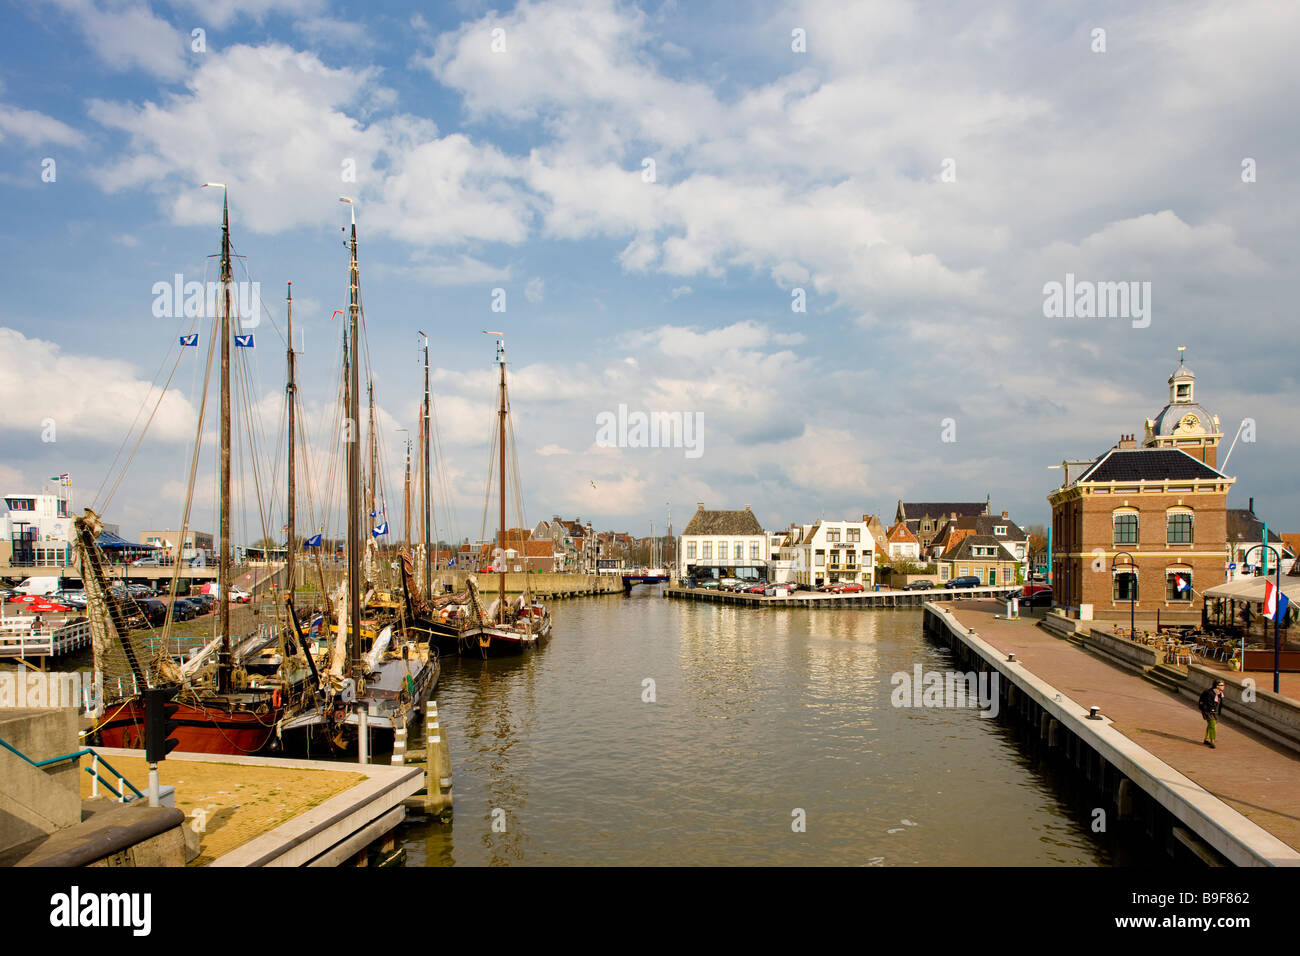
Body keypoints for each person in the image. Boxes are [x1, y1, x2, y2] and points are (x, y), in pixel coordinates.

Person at [1199, 679, 1226, 748]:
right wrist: (1212, 712)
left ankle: (1206, 739)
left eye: (1223, 685)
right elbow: (1208, 704)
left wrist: (1218, 712)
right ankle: (1212, 741)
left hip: (1214, 711)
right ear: (1217, 686)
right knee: (1213, 725)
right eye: (1222, 685)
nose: (1223, 686)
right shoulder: (1210, 693)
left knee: (1211, 724)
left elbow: (1219, 704)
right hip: (1208, 711)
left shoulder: (1220, 693)